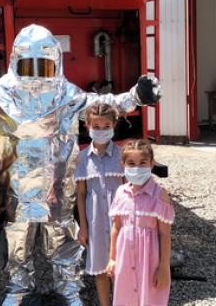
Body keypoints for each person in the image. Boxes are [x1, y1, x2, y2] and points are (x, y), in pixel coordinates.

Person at [0, 24, 161, 306]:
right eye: (29, 64)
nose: (36, 72)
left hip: (57, 187)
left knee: (62, 239)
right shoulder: (2, 92)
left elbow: (103, 105)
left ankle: (68, 289)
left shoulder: (66, 94)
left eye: (44, 65)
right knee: (17, 242)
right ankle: (17, 289)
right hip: (16, 188)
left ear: (56, 62)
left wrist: (136, 96)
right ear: (16, 61)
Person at [106, 139, 173, 306]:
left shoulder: (159, 195)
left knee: (150, 298)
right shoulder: (120, 193)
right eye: (131, 163)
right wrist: (112, 259)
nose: (137, 168)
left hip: (149, 263)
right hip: (125, 260)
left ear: (152, 163)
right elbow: (116, 228)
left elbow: (165, 234)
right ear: (123, 165)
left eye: (142, 163)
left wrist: (164, 268)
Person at [75, 103, 125, 306]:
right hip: (95, 222)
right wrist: (83, 227)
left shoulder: (123, 155)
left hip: (120, 223)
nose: (101, 130)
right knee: (101, 270)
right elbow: (81, 194)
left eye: (106, 126)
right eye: (96, 126)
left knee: (121, 267)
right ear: (87, 126)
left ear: (113, 126)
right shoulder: (82, 158)